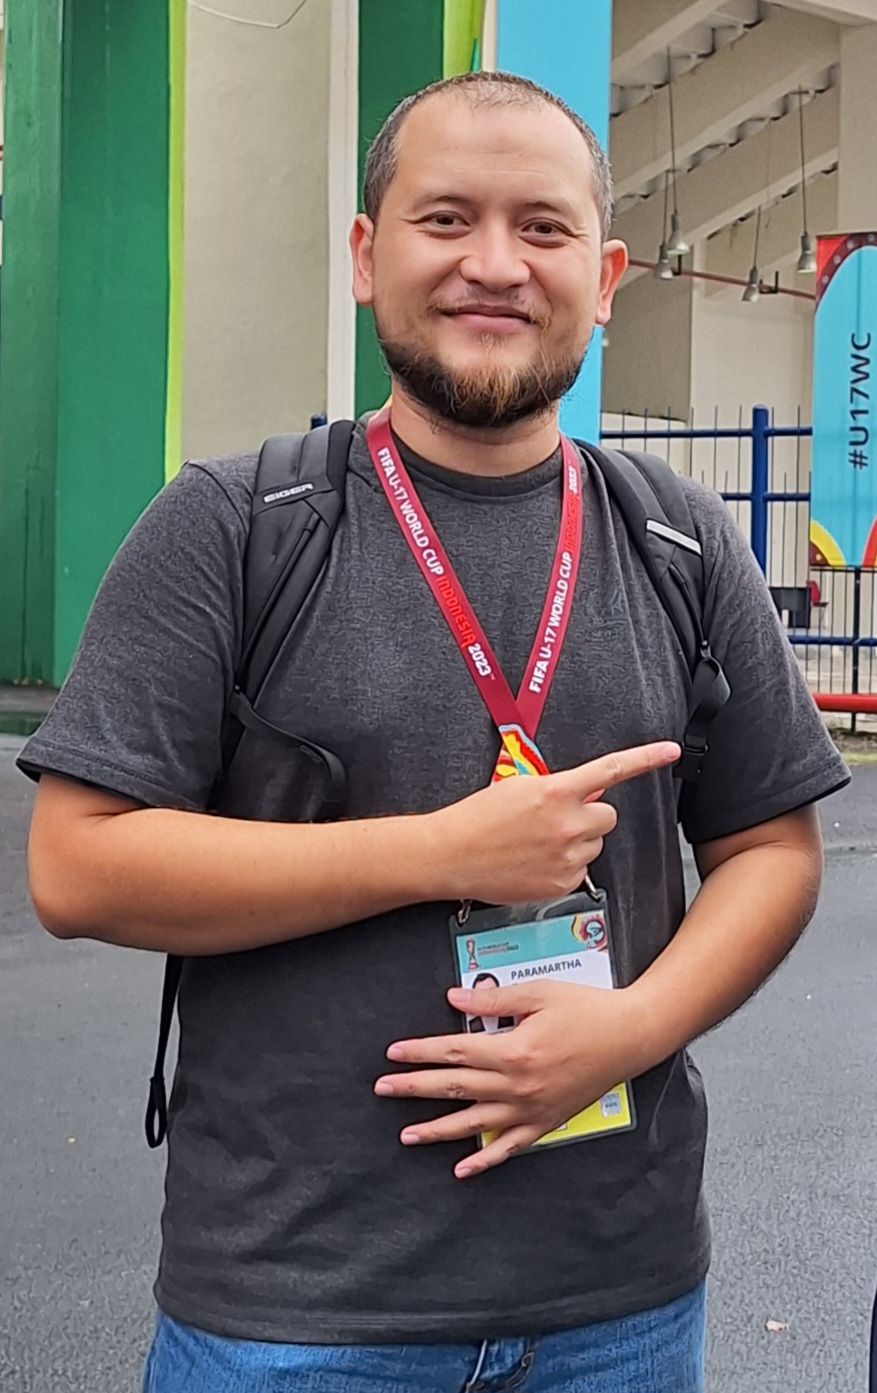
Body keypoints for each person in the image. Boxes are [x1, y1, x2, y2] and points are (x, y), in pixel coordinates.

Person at [20, 70, 847, 1393]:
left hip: (619, 1305)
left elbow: (771, 849)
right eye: (446, 219)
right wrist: (439, 851)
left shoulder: (681, 541)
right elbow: (78, 865)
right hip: (294, 1314)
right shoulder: (232, 528)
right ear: (366, 257)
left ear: (605, 277)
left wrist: (631, 1027)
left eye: (543, 228)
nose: (495, 265)